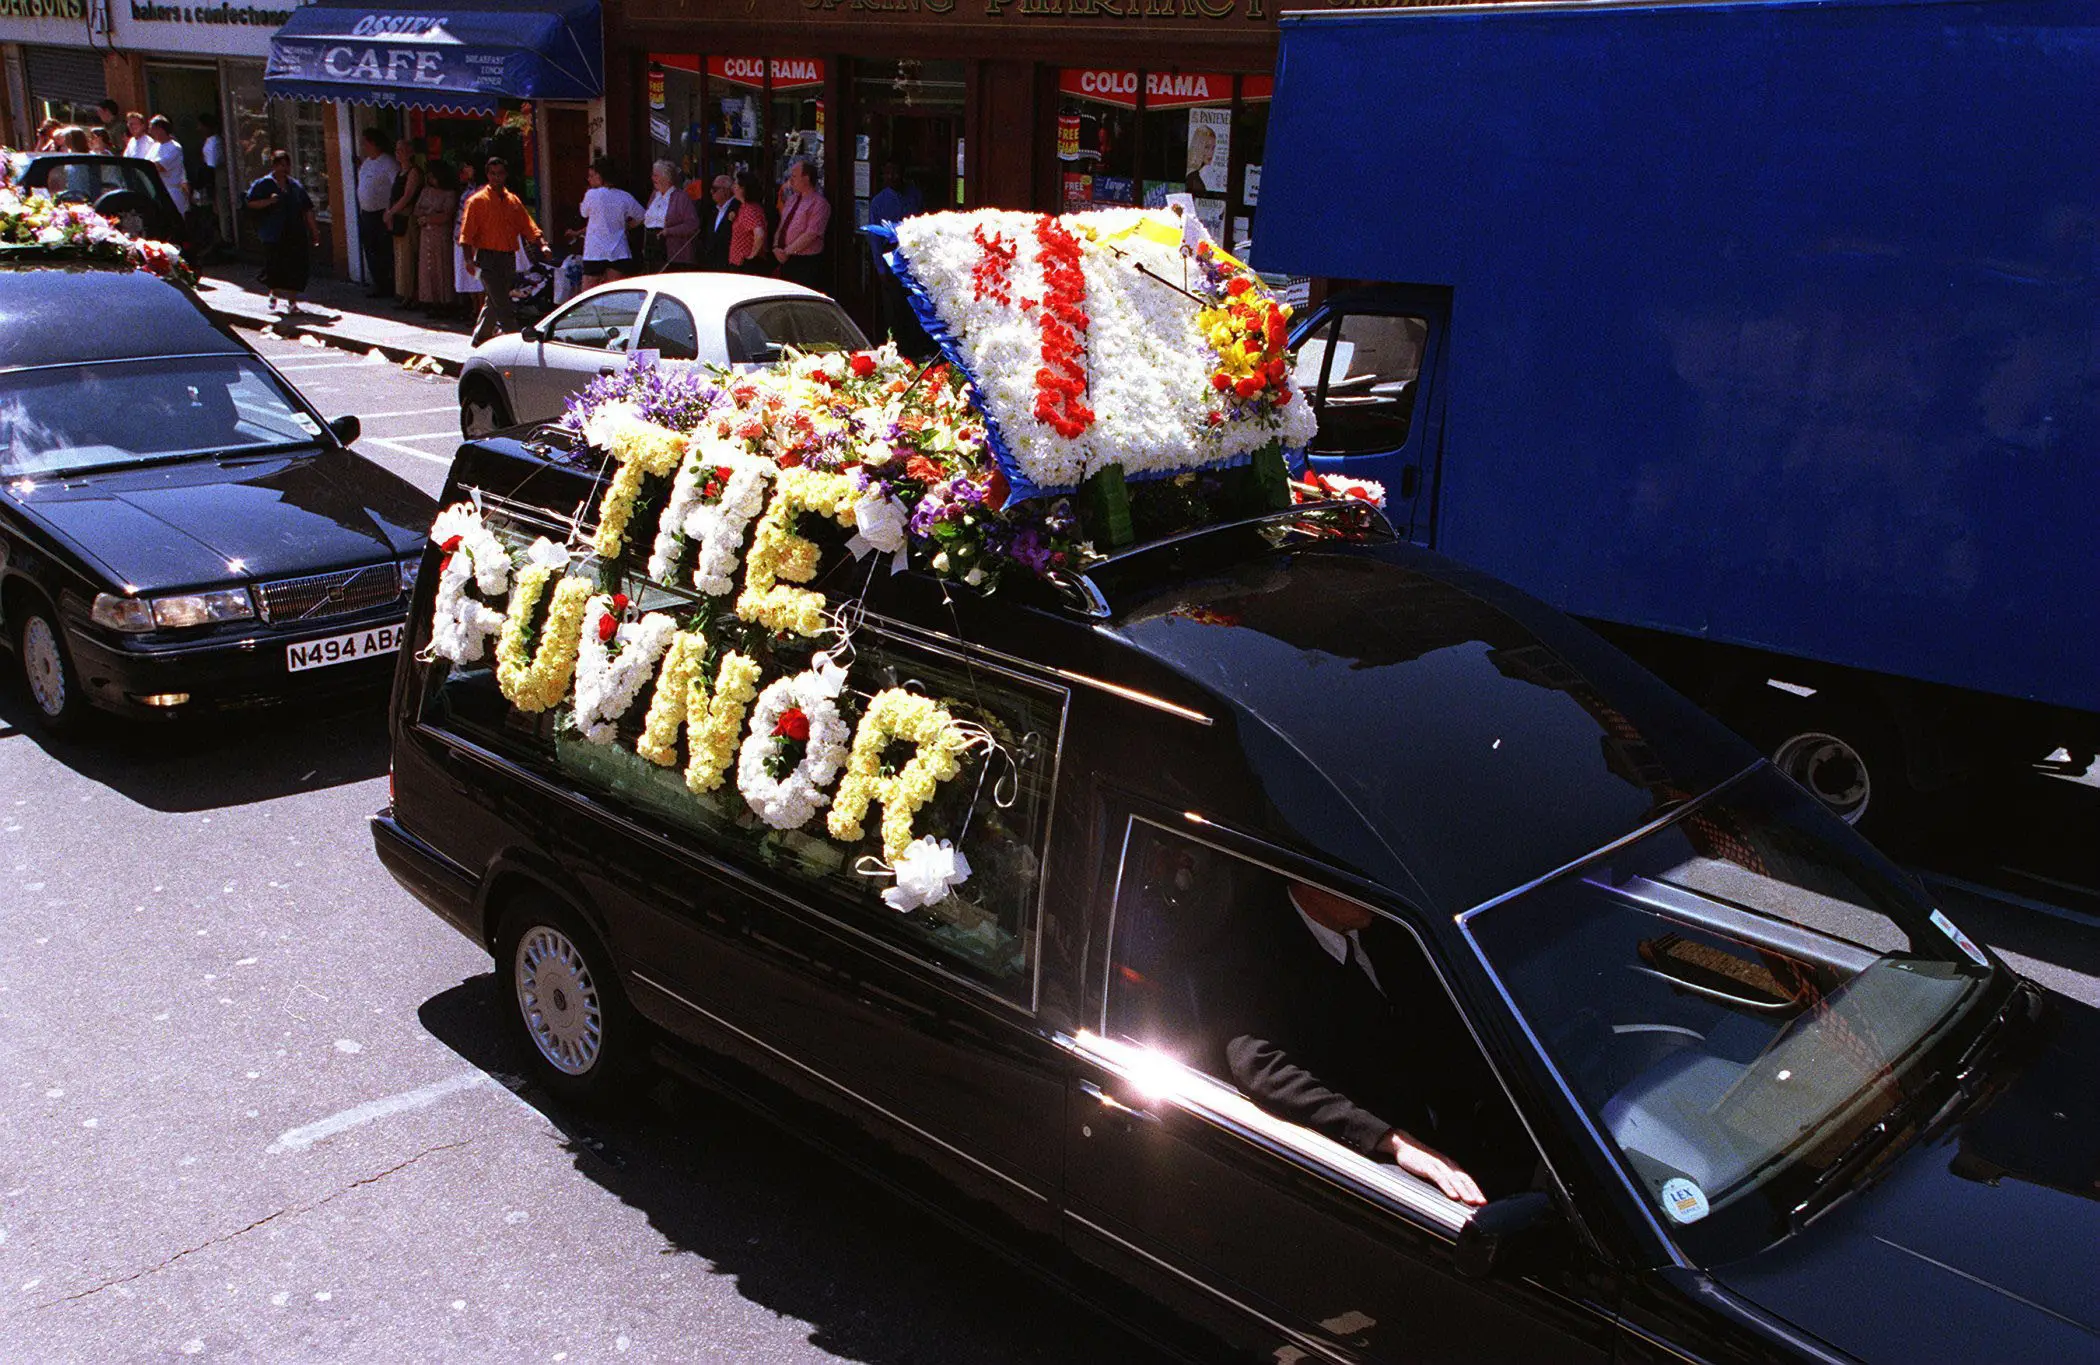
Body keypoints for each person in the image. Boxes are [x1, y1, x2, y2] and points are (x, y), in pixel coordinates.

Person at [1224, 881, 1488, 1207]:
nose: (1371, 889)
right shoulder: (1255, 953)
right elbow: (1260, 1065)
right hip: (1382, 1176)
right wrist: (1388, 1139)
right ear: (1308, 882)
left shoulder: (1395, 927)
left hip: (1467, 1127)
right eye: (1351, 880)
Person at [459, 156, 548, 344]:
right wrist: (468, 260)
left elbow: (528, 225)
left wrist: (542, 244)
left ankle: (480, 337)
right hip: (487, 258)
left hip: (508, 258)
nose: (496, 178)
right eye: (492, 174)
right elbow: (466, 234)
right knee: (502, 303)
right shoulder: (477, 201)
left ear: (505, 175)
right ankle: (515, 341)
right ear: (487, 175)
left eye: (500, 174)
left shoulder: (512, 201)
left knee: (494, 300)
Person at [245, 149, 321, 315]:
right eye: (280, 165)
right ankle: (274, 291)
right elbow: (250, 203)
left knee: (295, 268)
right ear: (273, 166)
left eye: (286, 165)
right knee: (275, 267)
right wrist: (269, 201)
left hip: (294, 232)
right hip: (274, 233)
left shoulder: (295, 186)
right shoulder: (263, 184)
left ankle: (292, 303)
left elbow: (307, 209)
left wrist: (314, 231)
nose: (284, 169)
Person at [570, 155, 644, 291]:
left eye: (593, 175)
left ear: (600, 176)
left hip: (595, 251)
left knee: (588, 293)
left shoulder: (592, 195)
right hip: (618, 250)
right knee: (614, 293)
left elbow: (584, 213)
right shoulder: (624, 196)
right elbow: (642, 216)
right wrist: (627, 226)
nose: (590, 179)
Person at [772, 157, 829, 290]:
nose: (791, 180)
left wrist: (787, 251)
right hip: (785, 260)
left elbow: (811, 234)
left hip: (804, 262)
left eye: (794, 176)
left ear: (806, 178)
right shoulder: (792, 200)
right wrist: (776, 246)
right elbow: (782, 225)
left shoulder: (819, 204)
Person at [353, 128, 395, 299]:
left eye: (365, 142)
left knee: (383, 251)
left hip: (382, 215)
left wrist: (390, 211)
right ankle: (378, 284)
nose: (363, 146)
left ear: (373, 143)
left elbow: (396, 186)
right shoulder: (368, 162)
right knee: (370, 250)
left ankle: (389, 285)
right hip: (367, 214)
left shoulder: (388, 162)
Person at [414, 160, 459, 312]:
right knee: (427, 268)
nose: (431, 180)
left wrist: (428, 217)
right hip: (426, 234)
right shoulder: (426, 191)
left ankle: (445, 302)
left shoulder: (449, 193)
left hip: (441, 235)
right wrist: (428, 215)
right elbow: (417, 209)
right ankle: (429, 301)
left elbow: (446, 215)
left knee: (442, 267)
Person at [387, 138, 425, 309]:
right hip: (397, 218)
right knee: (400, 257)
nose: (398, 153)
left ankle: (411, 295)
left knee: (409, 256)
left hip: (407, 218)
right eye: (396, 150)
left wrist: (391, 212)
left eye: (401, 150)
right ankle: (402, 293)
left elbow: (407, 196)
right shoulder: (399, 172)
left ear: (410, 153)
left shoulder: (414, 173)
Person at [643, 159, 700, 271]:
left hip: (674, 253)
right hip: (653, 250)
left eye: (656, 175)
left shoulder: (681, 197)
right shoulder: (655, 195)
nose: (652, 178)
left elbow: (693, 225)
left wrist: (669, 231)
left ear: (666, 178)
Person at [728, 168, 770, 273]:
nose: (733, 187)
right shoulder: (745, 207)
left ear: (743, 188)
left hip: (744, 265)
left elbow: (759, 234)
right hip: (740, 263)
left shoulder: (749, 209)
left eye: (736, 185)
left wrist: (752, 256)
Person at [146, 115, 190, 215]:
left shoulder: (174, 148)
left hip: (172, 192)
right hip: (157, 191)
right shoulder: (155, 146)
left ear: (160, 130)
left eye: (152, 129)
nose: (150, 132)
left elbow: (159, 167)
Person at [698, 173, 736, 270]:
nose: (711, 192)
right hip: (712, 264)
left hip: (729, 264)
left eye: (715, 189)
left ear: (726, 191)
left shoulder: (736, 208)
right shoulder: (713, 210)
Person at [866, 161, 922, 227]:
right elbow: (874, 233)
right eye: (887, 173)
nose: (891, 177)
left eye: (895, 173)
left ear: (901, 174)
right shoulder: (878, 202)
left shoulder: (915, 196)